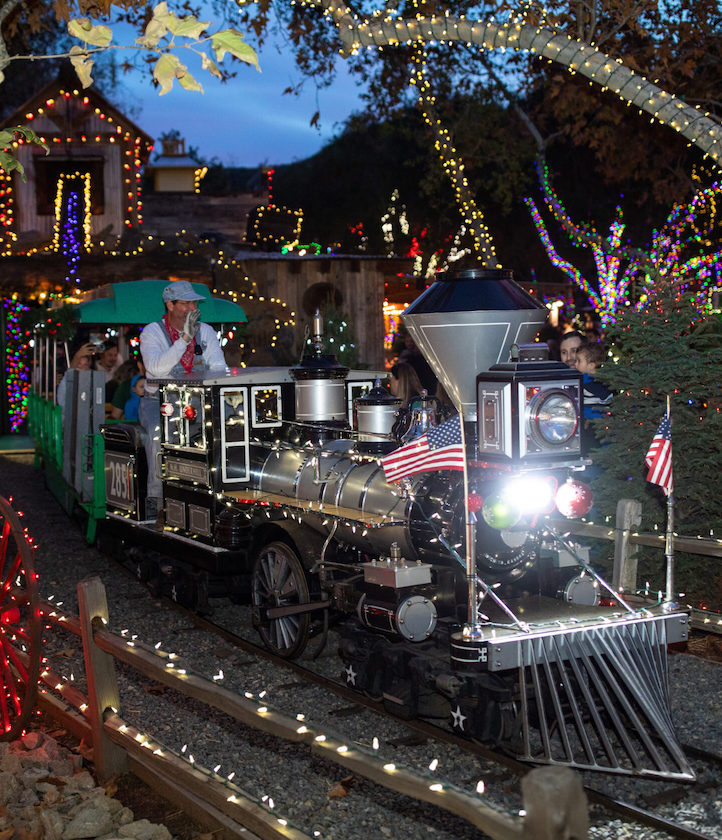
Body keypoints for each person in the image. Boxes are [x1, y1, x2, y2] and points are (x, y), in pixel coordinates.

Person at [139, 280, 226, 518]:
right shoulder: (152, 332)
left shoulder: (206, 331)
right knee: (158, 434)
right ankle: (155, 499)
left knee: (228, 427)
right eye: (186, 303)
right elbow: (156, 369)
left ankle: (220, 492)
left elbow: (219, 367)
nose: (192, 308)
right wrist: (185, 339)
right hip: (158, 401)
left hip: (197, 401)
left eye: (194, 302)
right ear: (170, 305)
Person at [575, 342, 612, 450]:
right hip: (604, 422)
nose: (575, 364)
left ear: (591, 365)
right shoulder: (604, 381)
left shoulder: (583, 382)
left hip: (592, 421)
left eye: (579, 361)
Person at [389, 362, 425, 440]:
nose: (390, 383)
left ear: (399, 381)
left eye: (391, 379)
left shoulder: (416, 405)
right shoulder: (418, 401)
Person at [56, 342, 94, 409]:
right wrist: (77, 356)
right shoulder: (66, 381)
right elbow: (71, 372)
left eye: (85, 365)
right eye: (79, 364)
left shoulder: (93, 382)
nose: (82, 368)